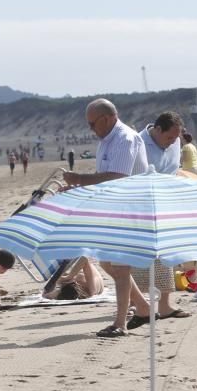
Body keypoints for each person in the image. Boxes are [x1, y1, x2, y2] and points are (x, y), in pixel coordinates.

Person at [62, 98, 149, 338]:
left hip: (129, 210)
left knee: (120, 267)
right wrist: (76, 190)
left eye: (93, 124)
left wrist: (79, 178)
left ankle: (120, 323)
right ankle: (142, 307)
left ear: (107, 119)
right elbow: (102, 179)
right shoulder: (107, 141)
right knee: (108, 263)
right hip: (113, 209)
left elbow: (117, 177)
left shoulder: (124, 138)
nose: (91, 129)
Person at [132, 111, 190, 324]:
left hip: (165, 205)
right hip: (140, 205)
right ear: (157, 130)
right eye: (169, 138)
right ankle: (138, 303)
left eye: (176, 139)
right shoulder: (137, 143)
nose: (172, 142)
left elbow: (174, 172)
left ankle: (164, 305)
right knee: (140, 257)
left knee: (166, 254)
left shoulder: (174, 143)